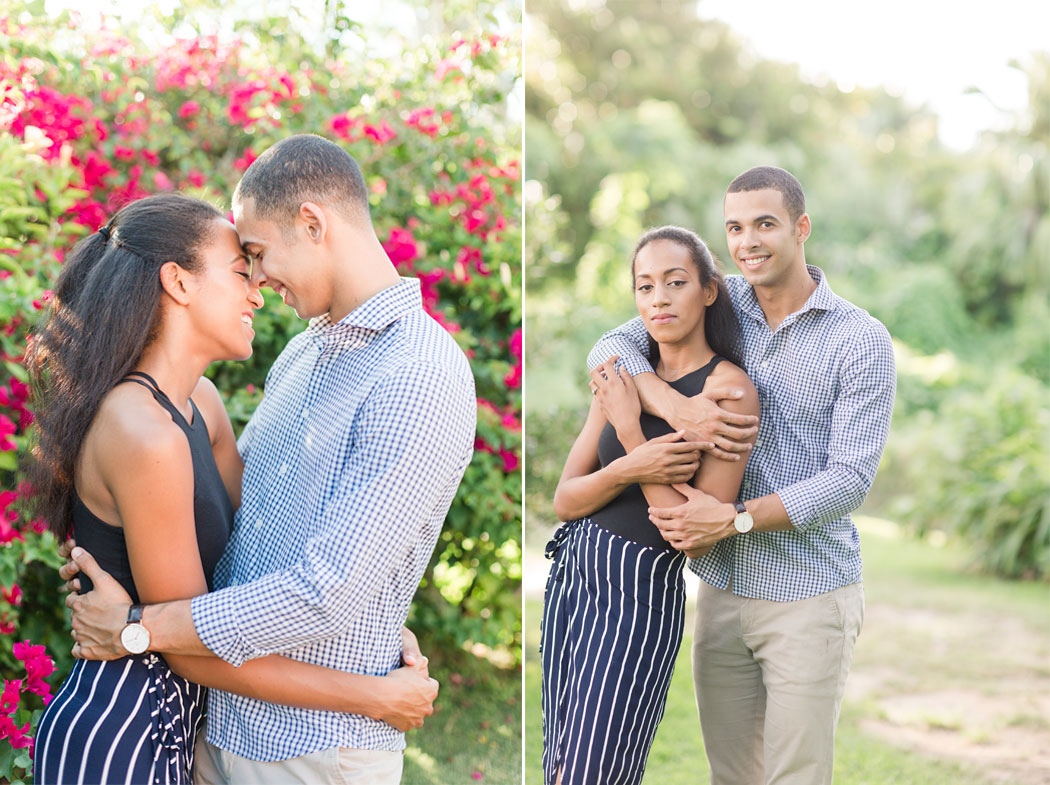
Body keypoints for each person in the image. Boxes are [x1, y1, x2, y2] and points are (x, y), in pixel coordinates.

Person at [59, 135, 477, 784]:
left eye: (254, 253)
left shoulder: (418, 373)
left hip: (315, 750)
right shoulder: (304, 354)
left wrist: (138, 625)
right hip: (220, 727)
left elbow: (325, 592)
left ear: (312, 223)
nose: (256, 280)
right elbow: (238, 528)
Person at [586, 166, 897, 785]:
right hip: (723, 595)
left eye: (765, 224)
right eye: (734, 227)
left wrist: (738, 518)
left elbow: (850, 479)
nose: (748, 241)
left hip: (809, 594)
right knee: (731, 776)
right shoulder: (719, 301)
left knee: (795, 777)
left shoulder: (861, 340)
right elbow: (607, 349)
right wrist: (673, 404)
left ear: (801, 228)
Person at [542, 225, 759, 785]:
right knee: (561, 765)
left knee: (597, 771)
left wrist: (631, 435)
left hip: (636, 593)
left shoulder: (726, 390)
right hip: (573, 578)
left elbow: (686, 532)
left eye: (675, 282)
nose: (658, 298)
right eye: (644, 286)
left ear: (709, 290)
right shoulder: (622, 374)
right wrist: (628, 462)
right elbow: (566, 500)